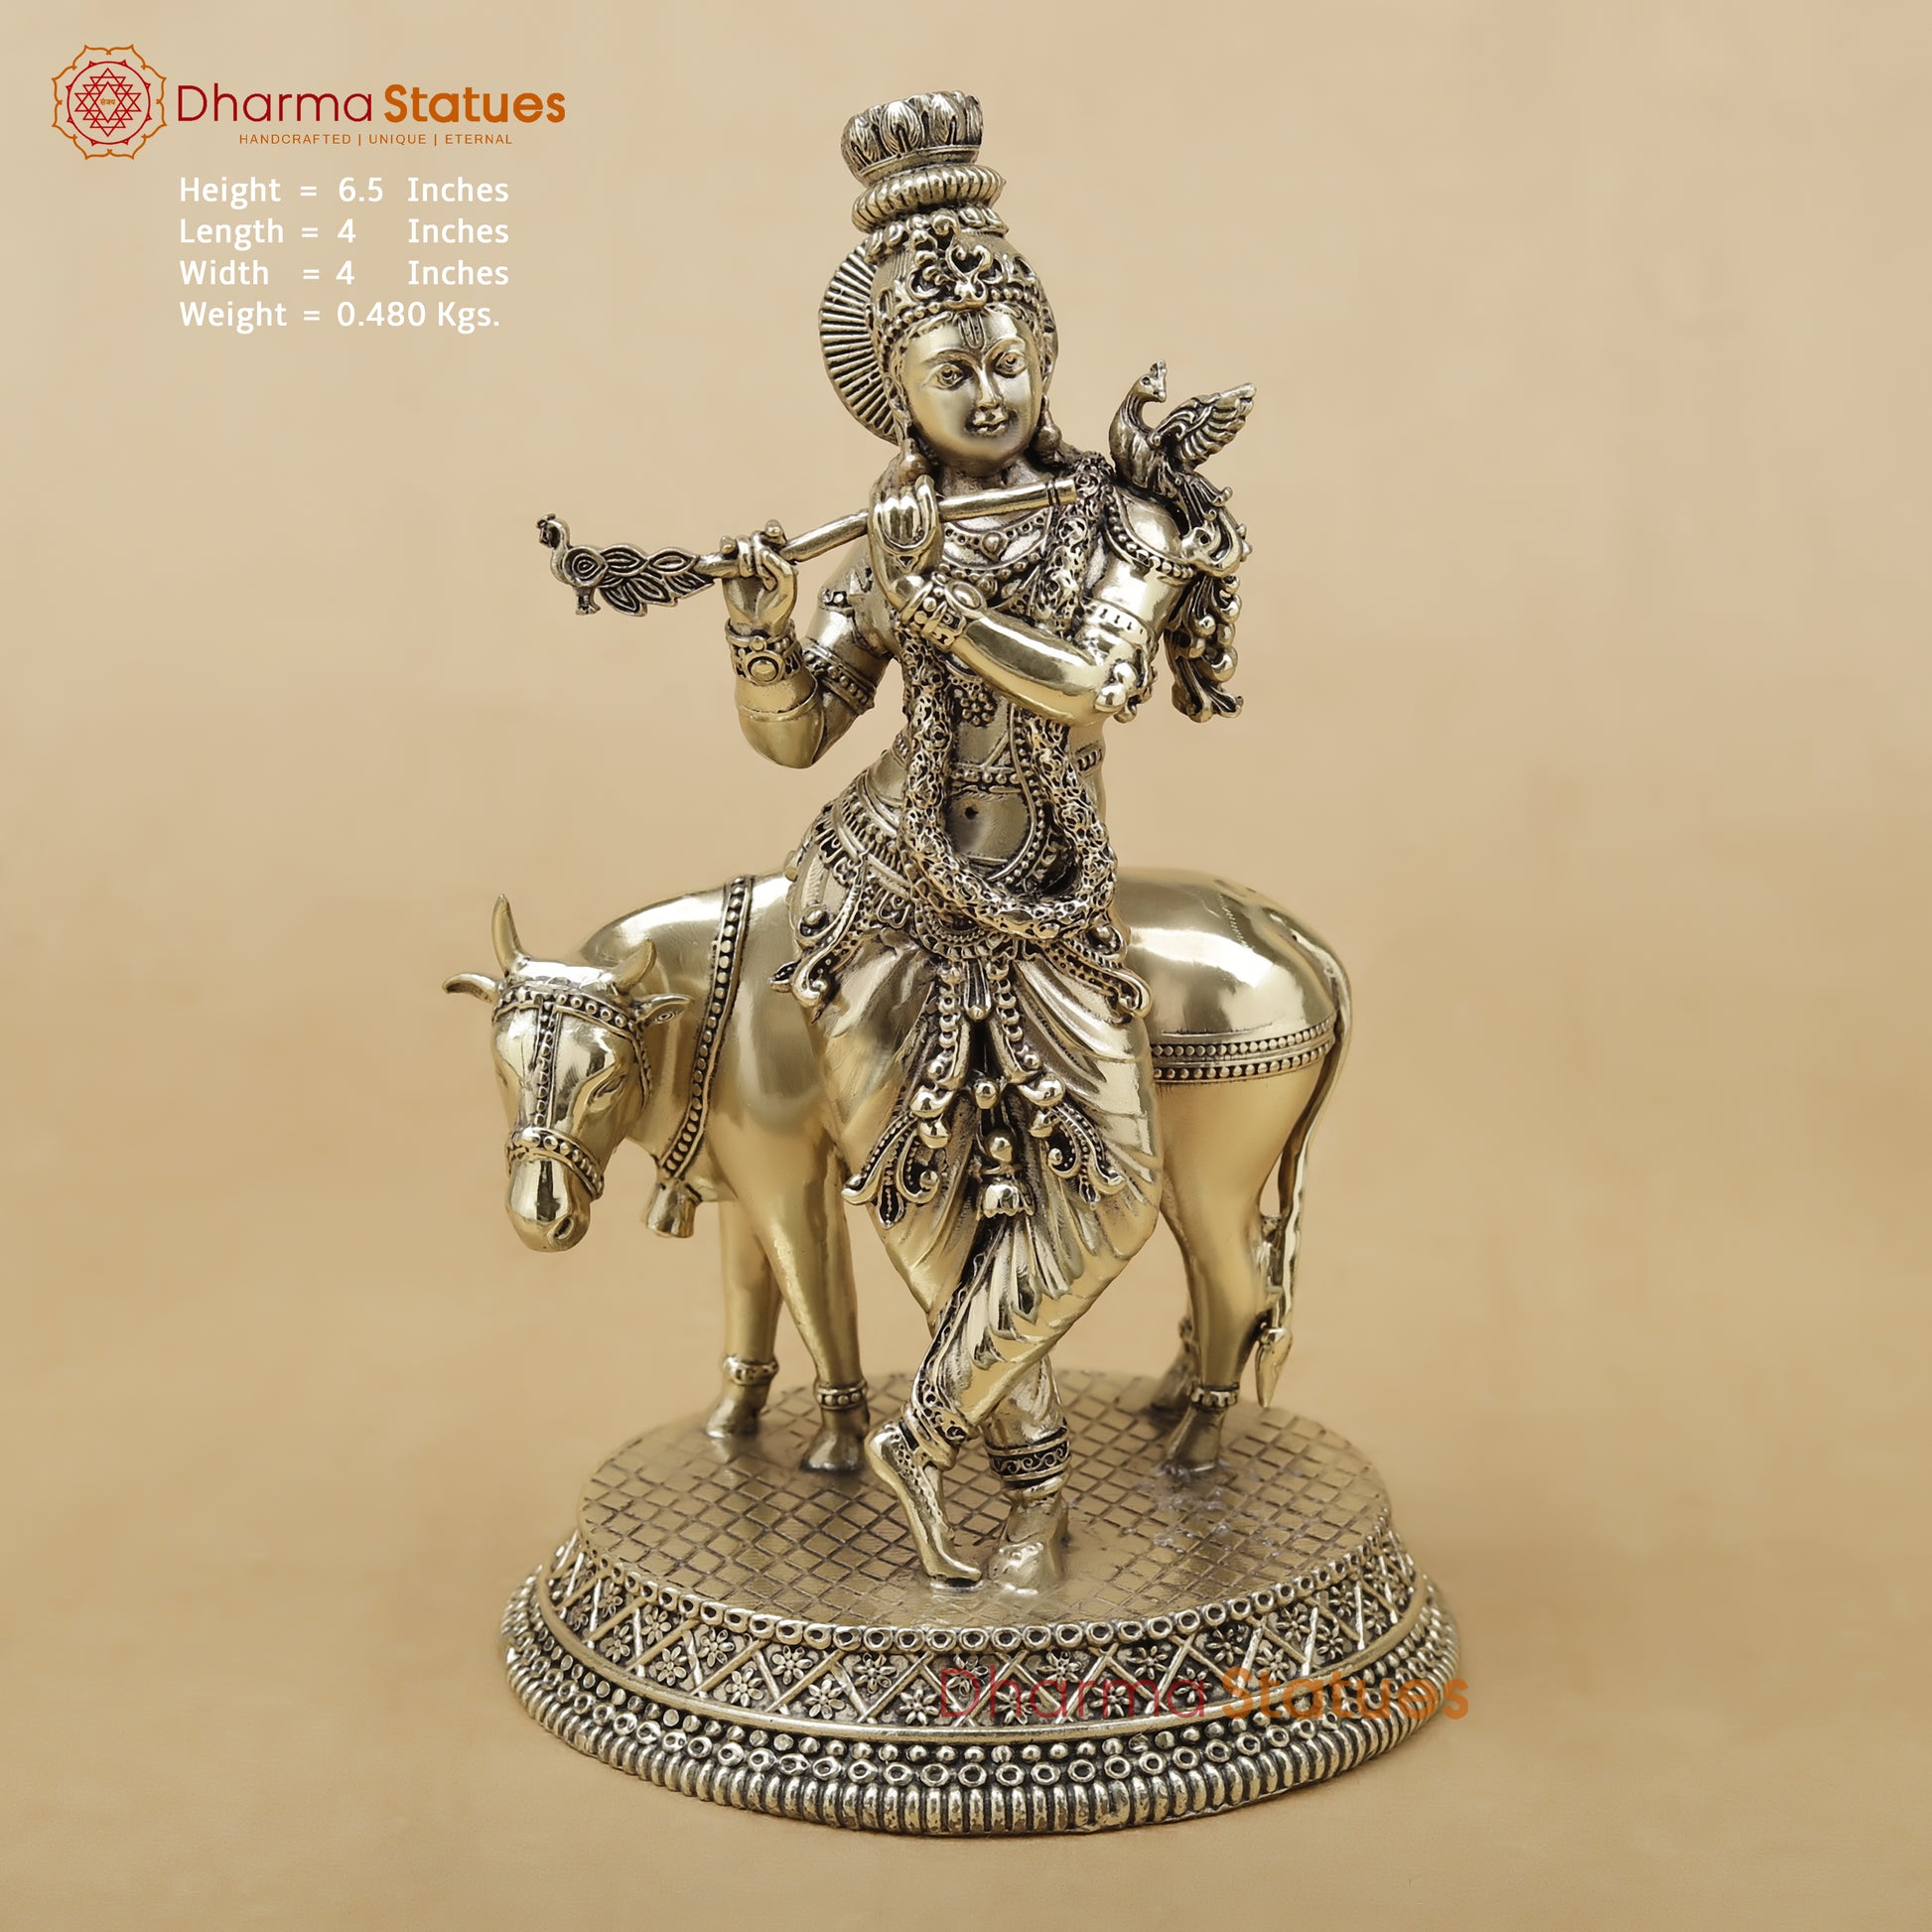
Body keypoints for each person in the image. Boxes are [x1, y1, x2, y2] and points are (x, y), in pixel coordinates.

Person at [716, 93, 1212, 1587]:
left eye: (1008, 360)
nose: (987, 390)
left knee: (1109, 1191)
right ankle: (1032, 1493)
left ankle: (922, 1429)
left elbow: (1091, 683)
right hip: (880, 893)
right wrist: (762, 637)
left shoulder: (1123, 526)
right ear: (895, 390)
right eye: (951, 370)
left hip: (1047, 901)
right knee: (930, 1205)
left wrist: (931, 602)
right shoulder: (887, 539)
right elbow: (801, 732)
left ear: (1046, 356)